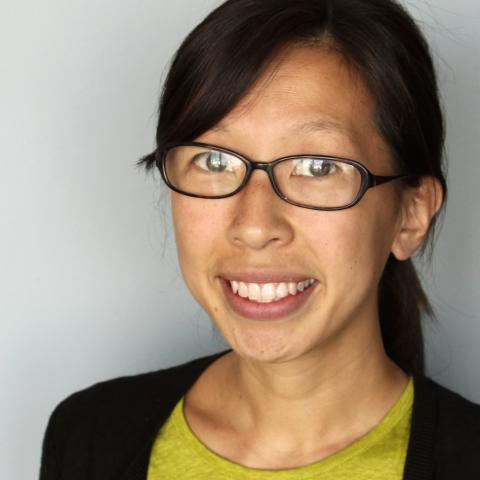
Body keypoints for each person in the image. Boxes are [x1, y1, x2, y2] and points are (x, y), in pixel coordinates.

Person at [39, 0, 480, 479]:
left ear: (410, 216)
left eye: (319, 166)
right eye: (214, 161)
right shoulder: (90, 437)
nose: (253, 225)